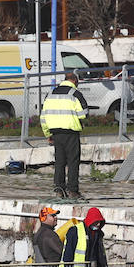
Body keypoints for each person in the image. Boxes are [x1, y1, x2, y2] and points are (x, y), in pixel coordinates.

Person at [40, 70, 88, 201]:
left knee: (59, 162)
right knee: (73, 161)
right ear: (75, 81)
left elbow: (43, 117)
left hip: (56, 133)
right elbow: (83, 113)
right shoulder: (75, 94)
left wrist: (48, 133)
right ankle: (73, 191)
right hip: (70, 132)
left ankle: (59, 190)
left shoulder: (50, 94)